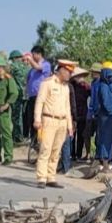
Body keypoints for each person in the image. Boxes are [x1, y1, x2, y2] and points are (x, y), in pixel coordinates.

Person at [33, 60, 76, 188]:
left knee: (56, 151)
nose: (69, 75)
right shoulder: (47, 83)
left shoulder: (66, 87)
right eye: (68, 71)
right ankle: (42, 177)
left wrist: (69, 125)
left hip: (62, 122)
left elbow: (67, 107)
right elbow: (40, 101)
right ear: (61, 70)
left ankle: (51, 177)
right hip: (48, 119)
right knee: (45, 148)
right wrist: (37, 119)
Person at [91, 61, 112, 171]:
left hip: (110, 116)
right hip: (105, 116)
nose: (111, 76)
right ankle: (104, 162)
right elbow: (105, 102)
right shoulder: (103, 86)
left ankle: (105, 161)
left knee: (110, 140)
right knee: (105, 139)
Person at [24, 46, 52, 143]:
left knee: (39, 119)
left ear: (39, 54)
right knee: (31, 118)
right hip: (32, 97)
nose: (32, 56)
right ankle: (33, 140)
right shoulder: (32, 69)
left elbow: (38, 67)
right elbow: (28, 79)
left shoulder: (46, 64)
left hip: (41, 97)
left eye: (34, 54)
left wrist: (30, 60)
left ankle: (40, 139)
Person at [71, 67, 93, 161]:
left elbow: (93, 95)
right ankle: (72, 155)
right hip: (72, 113)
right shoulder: (70, 86)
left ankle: (79, 155)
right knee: (71, 135)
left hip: (83, 113)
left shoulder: (85, 86)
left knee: (81, 135)